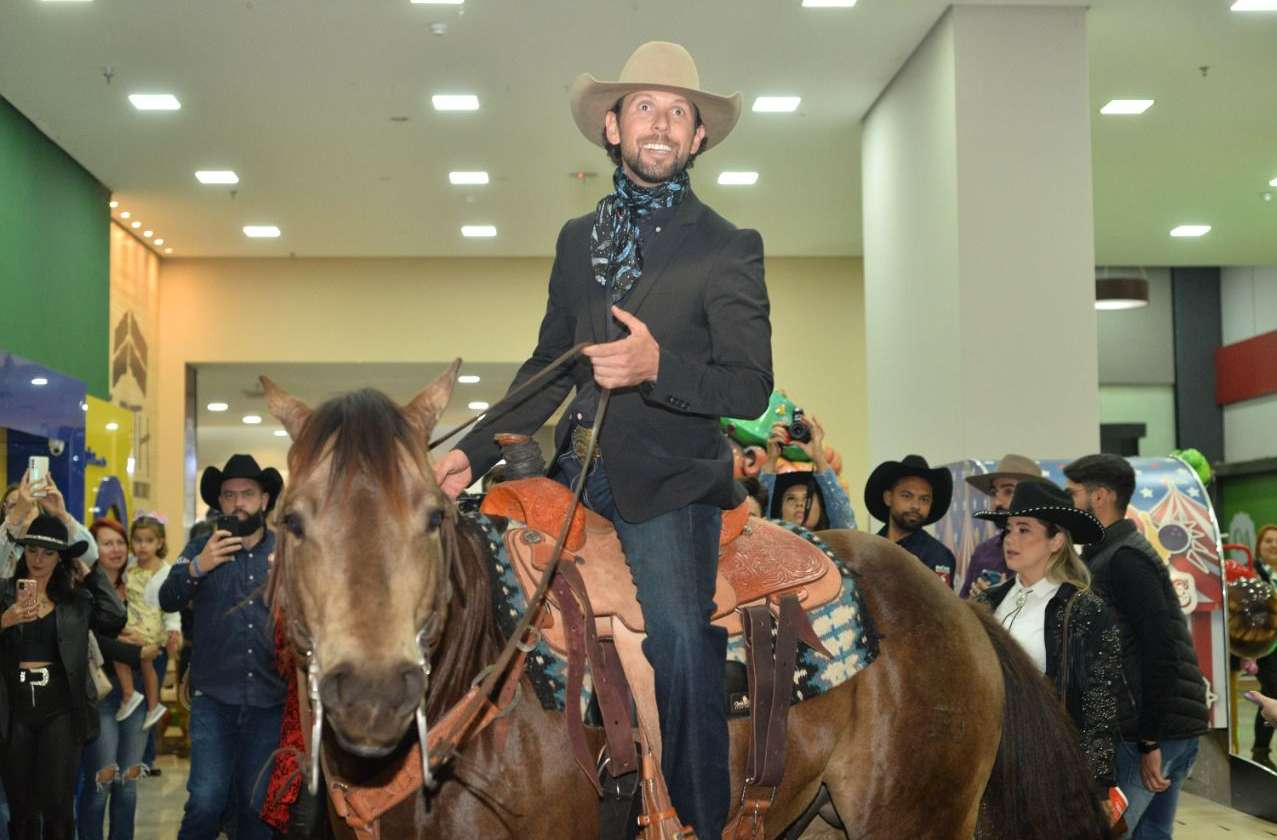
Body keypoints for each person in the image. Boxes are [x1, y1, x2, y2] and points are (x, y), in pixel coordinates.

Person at [432, 41, 771, 836]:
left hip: (671, 484)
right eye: (644, 108)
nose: (661, 124)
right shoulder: (575, 240)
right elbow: (550, 365)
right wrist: (467, 452)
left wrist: (657, 366)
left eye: (678, 113)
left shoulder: (727, 244)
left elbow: (749, 387)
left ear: (696, 141)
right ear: (612, 129)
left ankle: (697, 821)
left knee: (681, 637)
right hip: (569, 475)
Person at [1064, 454, 1209, 839]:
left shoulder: (1124, 558)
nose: (1068, 504)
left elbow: (1160, 649)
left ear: (1101, 498)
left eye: (1073, 493)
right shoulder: (1112, 554)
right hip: (1160, 730)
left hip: (1146, 735)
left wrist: (1149, 740)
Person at [158, 455, 286, 840]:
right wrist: (199, 566)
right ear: (219, 503)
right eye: (229, 495)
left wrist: (291, 585)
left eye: (247, 494)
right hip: (213, 699)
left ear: (264, 500)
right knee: (206, 801)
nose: (238, 503)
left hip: (270, 700)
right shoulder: (200, 546)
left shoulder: (286, 551)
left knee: (256, 809)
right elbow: (167, 598)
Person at [974, 479, 1121, 796]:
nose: (1010, 539)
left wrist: (1098, 785)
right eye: (1009, 529)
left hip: (1049, 769)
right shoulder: (988, 602)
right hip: (989, 763)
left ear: (1056, 541)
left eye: (1024, 530)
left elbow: (1100, 702)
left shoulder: (1084, 610)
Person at [0, 514, 125, 840]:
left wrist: (93, 575)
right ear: (23, 552)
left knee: (57, 806)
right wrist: (5, 621)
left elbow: (115, 617)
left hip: (60, 706)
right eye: (32, 550)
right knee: (21, 809)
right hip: (13, 708)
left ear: (61, 558)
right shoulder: (5, 593)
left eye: (48, 553)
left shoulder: (75, 599)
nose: (38, 559)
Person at [78, 518, 163, 840]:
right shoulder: (84, 589)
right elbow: (89, 640)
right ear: (93, 549)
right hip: (101, 693)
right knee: (101, 780)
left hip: (138, 694)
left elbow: (156, 631)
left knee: (128, 783)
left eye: (119, 542)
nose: (115, 550)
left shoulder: (137, 584)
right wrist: (137, 652)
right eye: (106, 543)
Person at [112, 516, 174, 731]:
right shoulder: (130, 564)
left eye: (149, 540)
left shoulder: (166, 572)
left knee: (131, 656)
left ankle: (137, 698)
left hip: (150, 625)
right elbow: (124, 587)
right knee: (133, 659)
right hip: (134, 619)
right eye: (137, 540)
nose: (142, 546)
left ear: (160, 543)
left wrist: (174, 631)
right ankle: (149, 704)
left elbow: (171, 605)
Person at [863, 455, 957, 585]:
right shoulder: (867, 549)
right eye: (907, 496)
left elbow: (941, 605)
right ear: (888, 498)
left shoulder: (938, 556)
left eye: (924, 499)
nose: (915, 506)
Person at [960, 454, 1043, 598]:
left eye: (1008, 491)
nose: (997, 502)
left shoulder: (1052, 552)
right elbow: (961, 610)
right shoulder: (984, 552)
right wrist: (976, 603)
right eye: (994, 492)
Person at [761, 414, 856, 530]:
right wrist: (771, 459)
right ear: (779, 510)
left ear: (821, 508)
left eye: (807, 498)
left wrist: (818, 457)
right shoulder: (770, 543)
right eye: (791, 498)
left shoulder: (834, 542)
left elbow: (846, 523)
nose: (800, 504)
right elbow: (758, 520)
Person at [1240, 524, 1277, 769]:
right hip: (1266, 648)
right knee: (1272, 692)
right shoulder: (1250, 576)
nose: (1274, 546)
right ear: (1258, 547)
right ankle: (1260, 751)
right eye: (1268, 541)